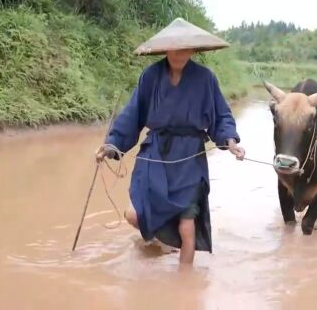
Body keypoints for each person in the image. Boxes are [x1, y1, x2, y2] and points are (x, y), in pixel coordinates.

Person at [95, 18, 246, 268]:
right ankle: (158, 241)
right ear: (165, 49)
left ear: (192, 50)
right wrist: (111, 145)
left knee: (187, 227)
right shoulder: (150, 76)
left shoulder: (205, 79)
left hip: (189, 158)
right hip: (155, 152)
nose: (179, 53)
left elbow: (221, 115)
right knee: (134, 214)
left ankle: (184, 286)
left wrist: (230, 141)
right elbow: (132, 116)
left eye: (185, 48)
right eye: (174, 48)